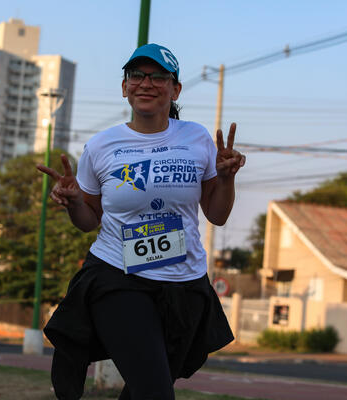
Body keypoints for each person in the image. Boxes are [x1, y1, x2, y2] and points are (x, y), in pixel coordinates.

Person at [37, 43, 246, 400]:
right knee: (155, 393)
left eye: (158, 76)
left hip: (185, 285)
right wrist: (74, 203)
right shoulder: (102, 146)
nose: (145, 83)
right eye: (136, 75)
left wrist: (226, 179)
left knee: (144, 389)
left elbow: (217, 214)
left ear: (175, 88)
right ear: (124, 87)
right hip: (118, 277)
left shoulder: (197, 139)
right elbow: (89, 221)